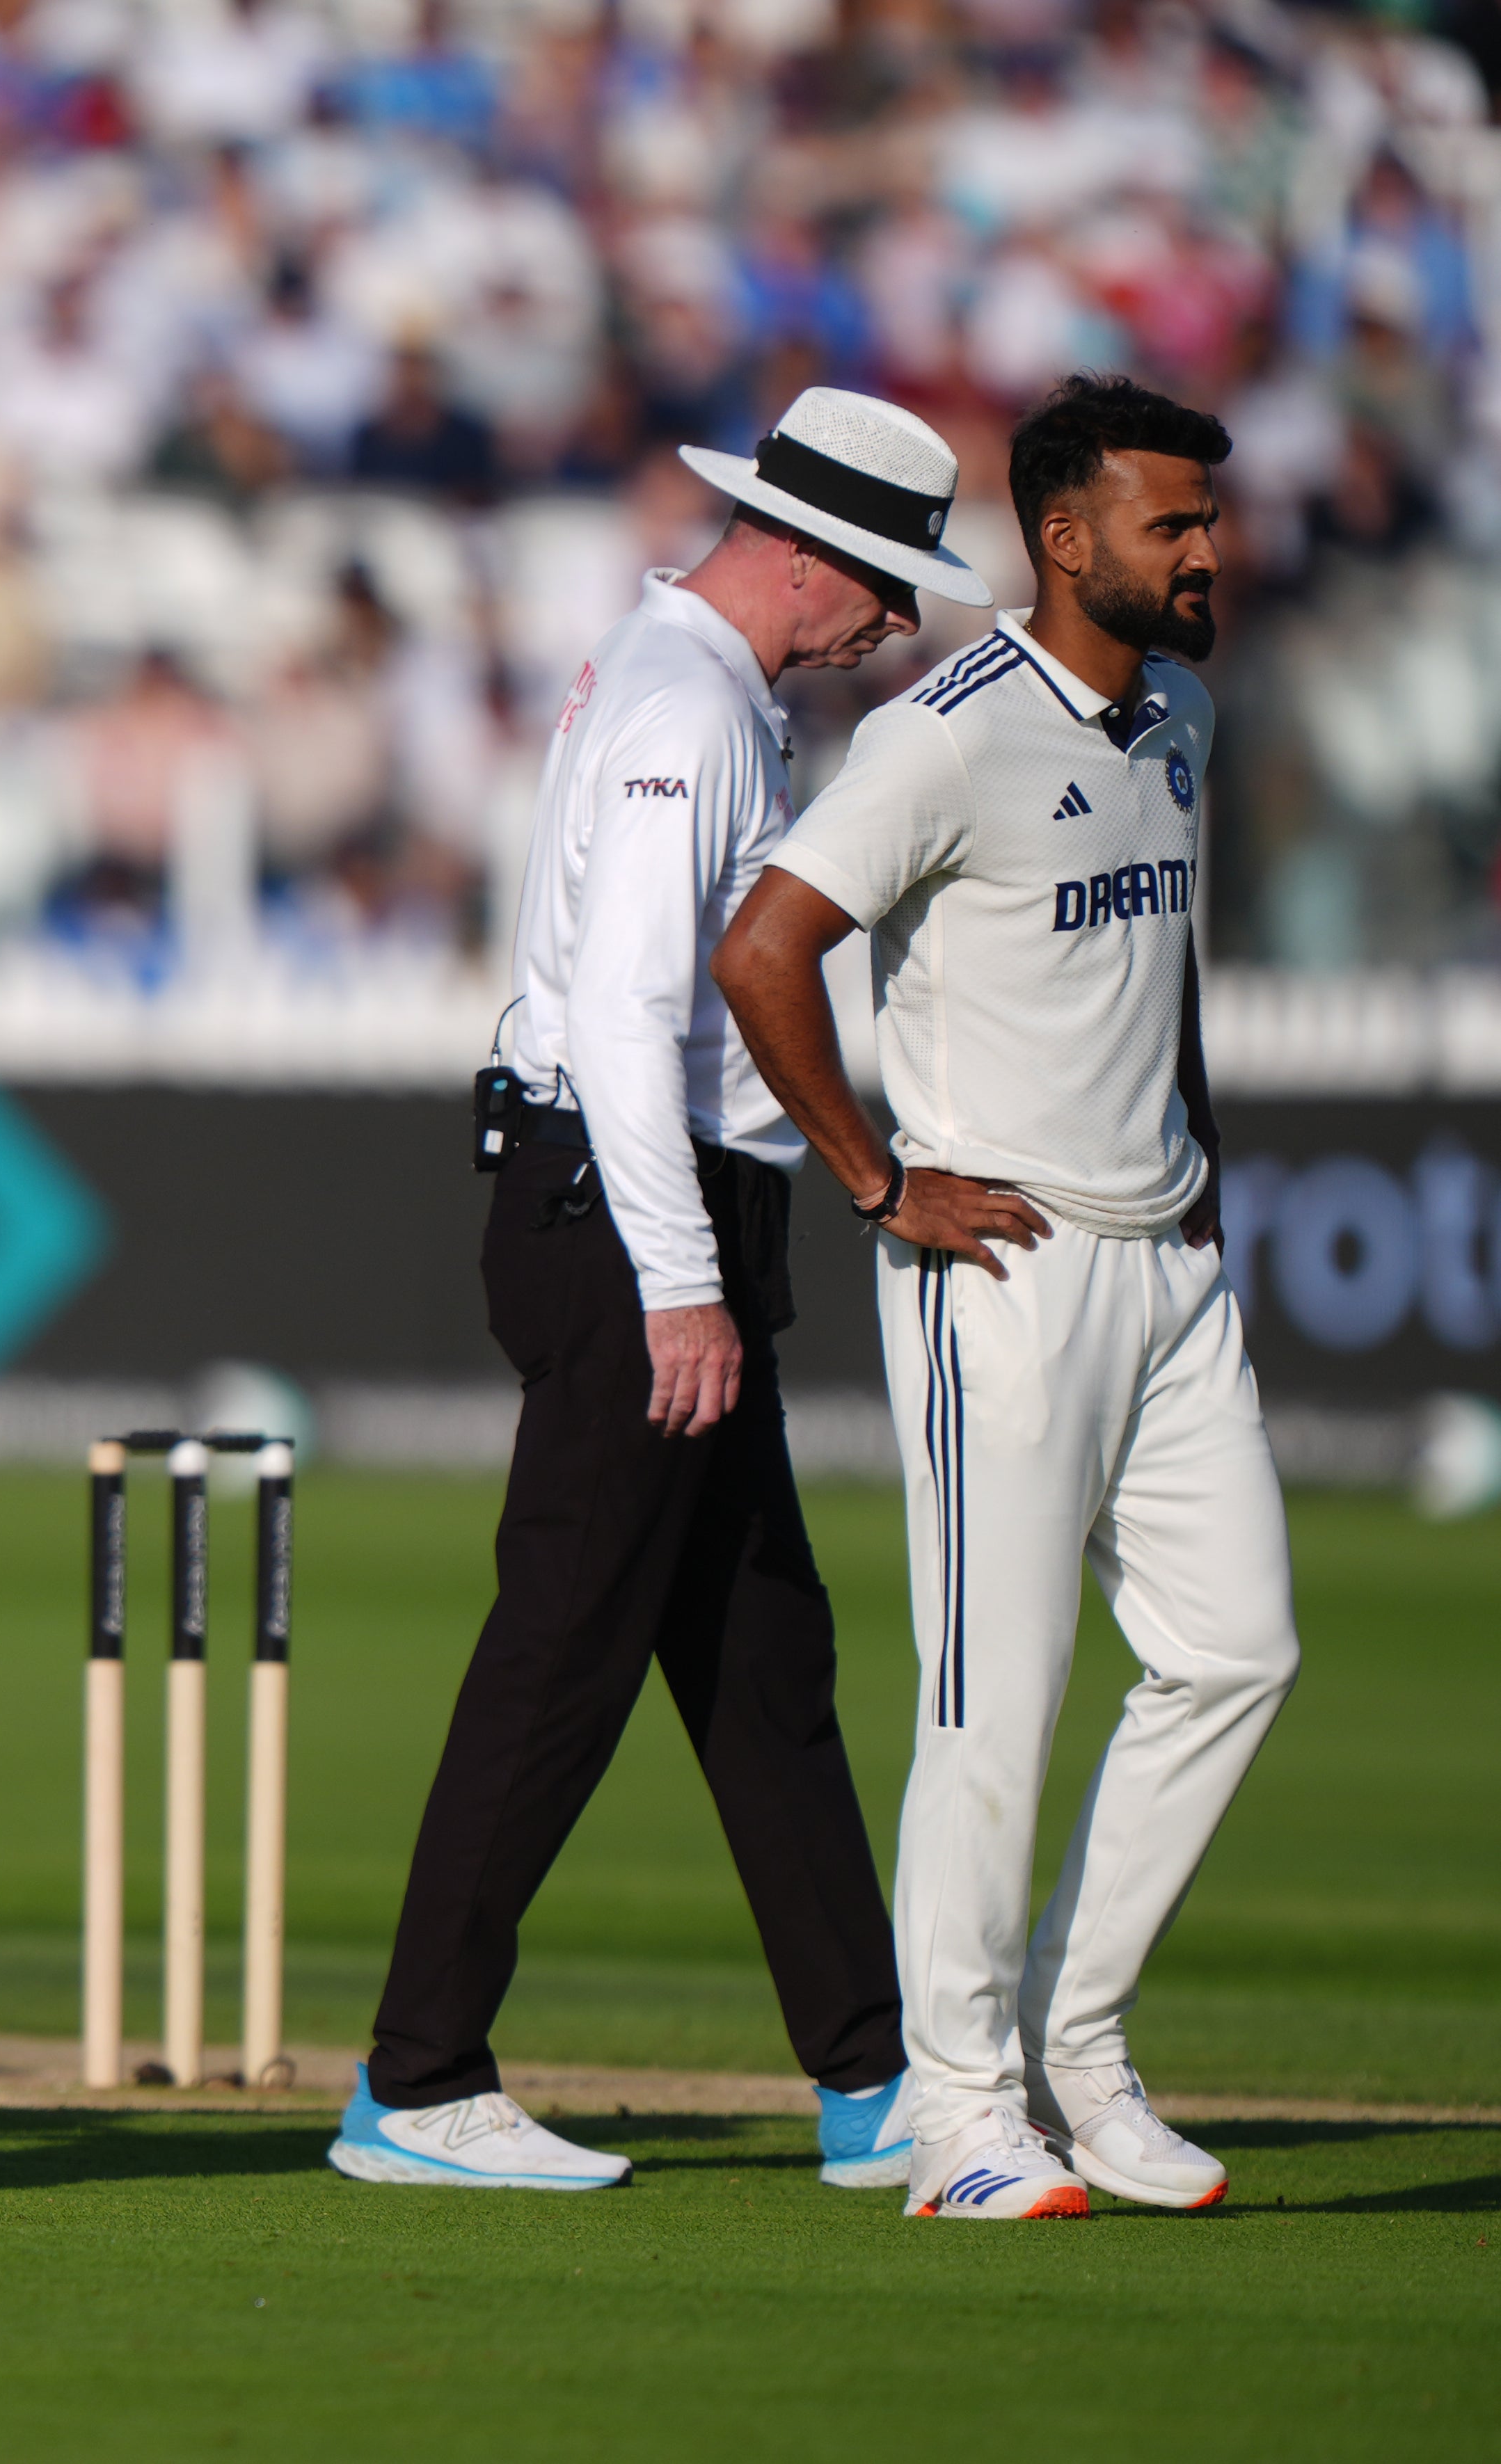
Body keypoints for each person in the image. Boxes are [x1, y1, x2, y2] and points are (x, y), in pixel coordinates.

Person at [329, 389, 992, 2194]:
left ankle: (871, 2077)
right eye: (888, 583)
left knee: (763, 1652)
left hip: (662, 1210)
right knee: (563, 1643)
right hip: (634, 1217)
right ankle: (416, 2074)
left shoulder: (692, 679)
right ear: (809, 557)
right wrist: (678, 1284)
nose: (900, 624)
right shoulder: (686, 699)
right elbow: (627, 1010)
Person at [714, 373, 1293, 2223]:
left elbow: (1163, 978)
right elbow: (766, 947)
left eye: (1208, 519)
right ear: (1065, 536)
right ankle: (960, 2112)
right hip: (1006, 1269)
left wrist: (1197, 1181)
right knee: (997, 1695)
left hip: (1171, 1262)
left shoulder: (1180, 717)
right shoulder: (945, 732)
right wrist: (881, 1180)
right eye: (1170, 524)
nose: (1205, 552)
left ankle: (1084, 2051)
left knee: (1235, 1650)